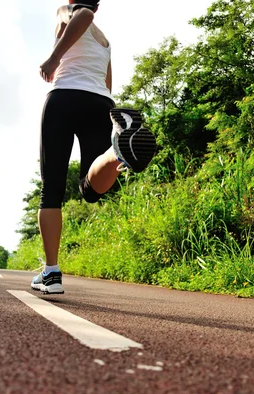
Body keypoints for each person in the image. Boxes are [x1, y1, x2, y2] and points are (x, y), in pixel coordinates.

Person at [31, 0, 156, 294]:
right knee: (90, 190)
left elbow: (82, 14)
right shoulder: (105, 41)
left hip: (63, 97)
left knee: (52, 189)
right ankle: (116, 152)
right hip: (101, 103)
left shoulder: (69, 10)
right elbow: (106, 84)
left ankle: (51, 272)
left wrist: (52, 58)